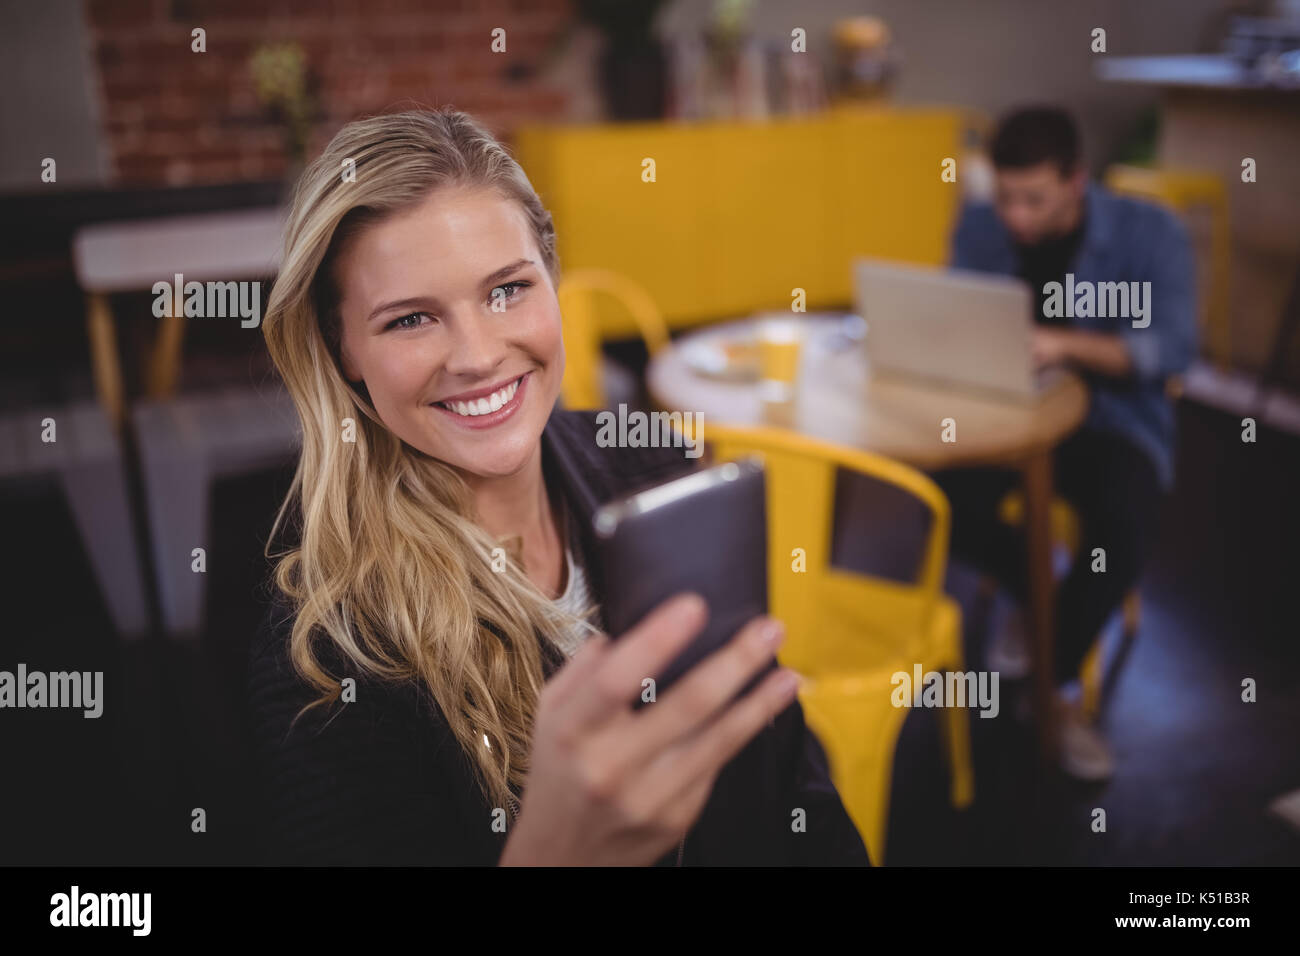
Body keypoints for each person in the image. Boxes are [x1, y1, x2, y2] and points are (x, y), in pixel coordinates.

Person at [245, 107, 870, 866]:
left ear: (552, 278)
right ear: (342, 351)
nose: (477, 355)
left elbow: (794, 791)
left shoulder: (653, 468)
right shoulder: (325, 655)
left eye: (507, 290)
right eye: (411, 319)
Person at [934, 106, 1198, 780]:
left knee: (1123, 532)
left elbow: (1172, 348)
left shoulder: (1148, 235)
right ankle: (1037, 602)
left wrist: (1063, 343)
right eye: (1005, 197)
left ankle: (1051, 686)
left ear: (1077, 180)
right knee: (931, 499)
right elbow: (957, 311)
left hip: (1111, 420)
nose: (1015, 217)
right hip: (1001, 415)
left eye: (1035, 199)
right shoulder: (982, 225)